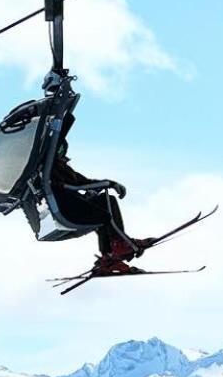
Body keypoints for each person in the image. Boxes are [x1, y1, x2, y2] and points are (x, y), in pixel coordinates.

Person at [50, 109, 154, 271]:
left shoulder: (59, 167)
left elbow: (84, 182)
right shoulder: (51, 167)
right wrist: (66, 112)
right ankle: (120, 244)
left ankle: (110, 255)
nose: (63, 155)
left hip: (71, 206)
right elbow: (75, 185)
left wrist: (109, 183)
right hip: (68, 210)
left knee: (101, 208)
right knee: (105, 209)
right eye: (60, 151)